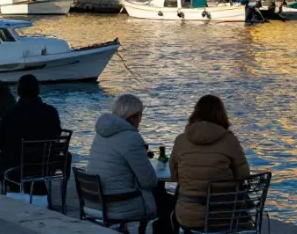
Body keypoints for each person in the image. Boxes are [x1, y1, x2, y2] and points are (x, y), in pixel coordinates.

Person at [87, 94, 174, 231]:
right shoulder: (131, 137)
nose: (140, 120)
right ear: (133, 117)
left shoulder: (101, 133)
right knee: (169, 203)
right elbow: (149, 181)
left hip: (93, 201)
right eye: (140, 116)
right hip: (119, 204)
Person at [170, 95, 250, 229]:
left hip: (187, 214)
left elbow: (174, 176)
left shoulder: (181, 141)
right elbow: (244, 176)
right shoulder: (230, 141)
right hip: (223, 215)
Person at [0, 74, 62, 190]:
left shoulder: (10, 113)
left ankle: (14, 191)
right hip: (45, 165)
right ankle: (37, 190)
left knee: (1, 162)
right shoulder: (51, 112)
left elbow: (0, 141)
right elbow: (57, 135)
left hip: (16, 165)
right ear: (37, 89)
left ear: (19, 90)